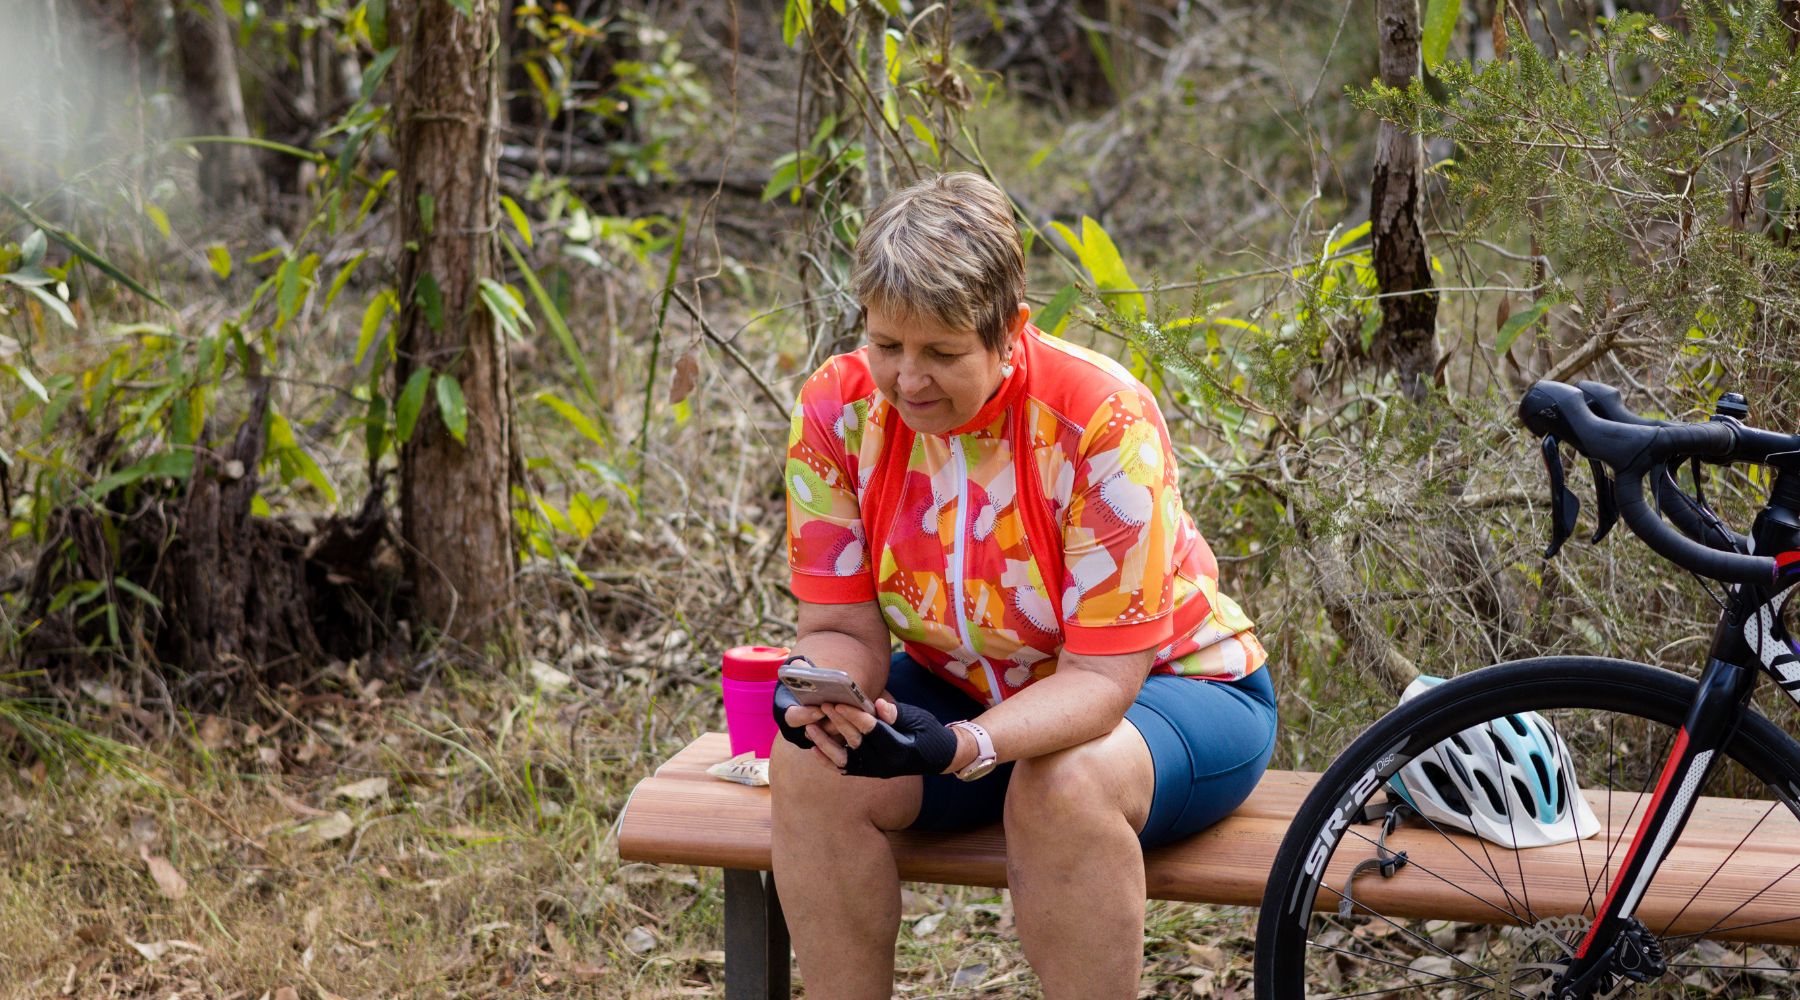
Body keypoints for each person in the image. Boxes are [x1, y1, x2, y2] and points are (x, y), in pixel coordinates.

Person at [770, 172, 1277, 999]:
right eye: (887, 345)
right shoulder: (837, 407)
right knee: (812, 769)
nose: (906, 380)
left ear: (1009, 332)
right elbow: (838, 626)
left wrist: (966, 745)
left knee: (1061, 787)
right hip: (968, 690)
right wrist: (829, 699)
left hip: (1174, 694)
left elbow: (1102, 682)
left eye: (941, 352)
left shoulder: (1100, 418)